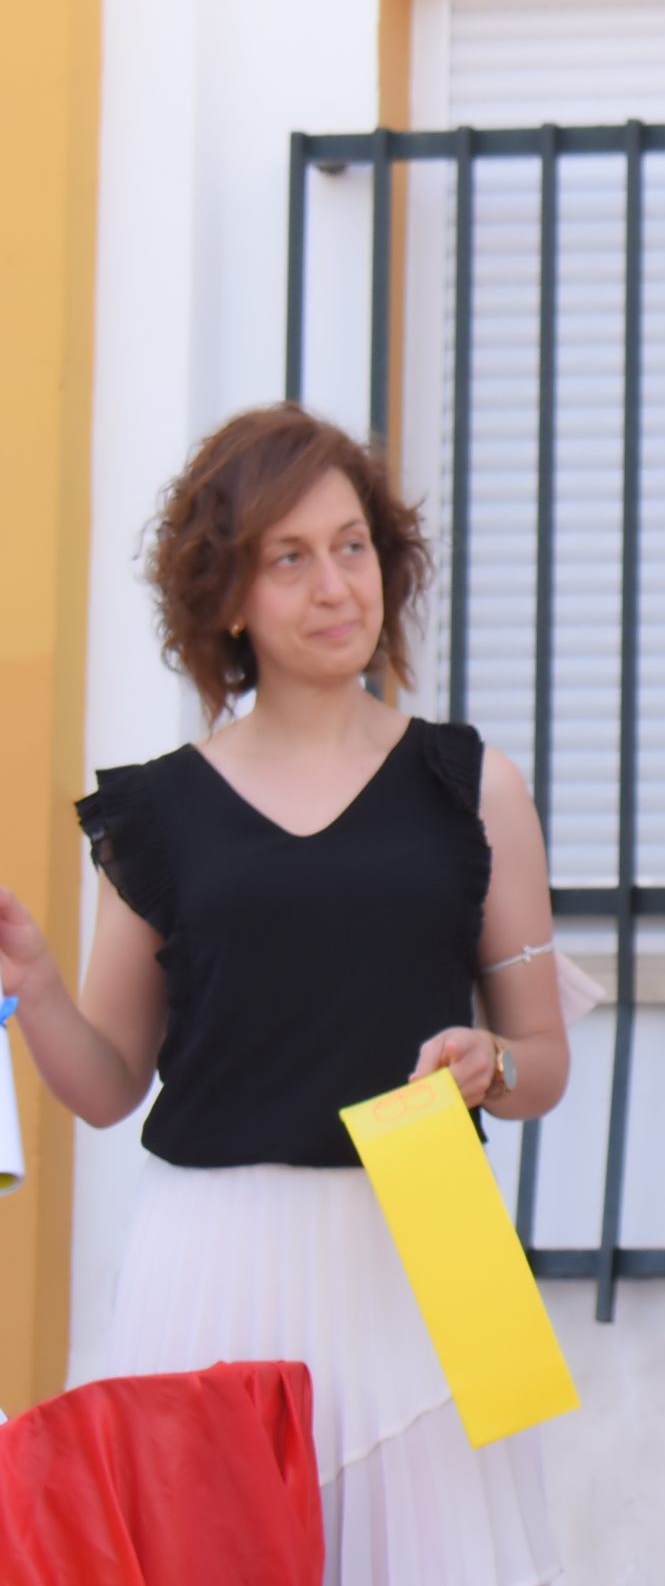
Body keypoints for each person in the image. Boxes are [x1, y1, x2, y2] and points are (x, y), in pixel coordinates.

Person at [0, 404, 568, 1585]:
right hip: (215, 1256)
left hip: (429, 1248)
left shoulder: (475, 786)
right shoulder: (156, 812)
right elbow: (108, 1085)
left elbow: (541, 1062)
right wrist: (39, 989)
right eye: (289, 555)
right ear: (226, 597)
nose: (334, 585)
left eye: (352, 544)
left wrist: (491, 1064)